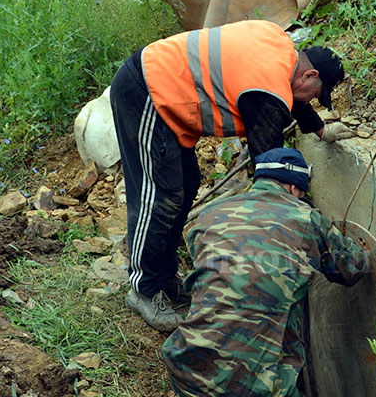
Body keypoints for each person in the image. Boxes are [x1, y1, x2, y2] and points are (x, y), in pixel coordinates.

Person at [109, 19, 355, 332]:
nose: (310, 101)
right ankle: (143, 290)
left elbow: (289, 94)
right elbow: (267, 168)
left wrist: (320, 129)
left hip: (166, 87)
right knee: (159, 195)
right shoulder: (267, 88)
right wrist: (301, 214)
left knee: (184, 186)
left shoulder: (280, 49)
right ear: (310, 74)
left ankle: (164, 279)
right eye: (315, 95)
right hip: (146, 91)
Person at [161, 147, 371, 397]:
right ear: (293, 187)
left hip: (185, 369)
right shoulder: (306, 220)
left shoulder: (208, 216)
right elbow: (353, 268)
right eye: (301, 192)